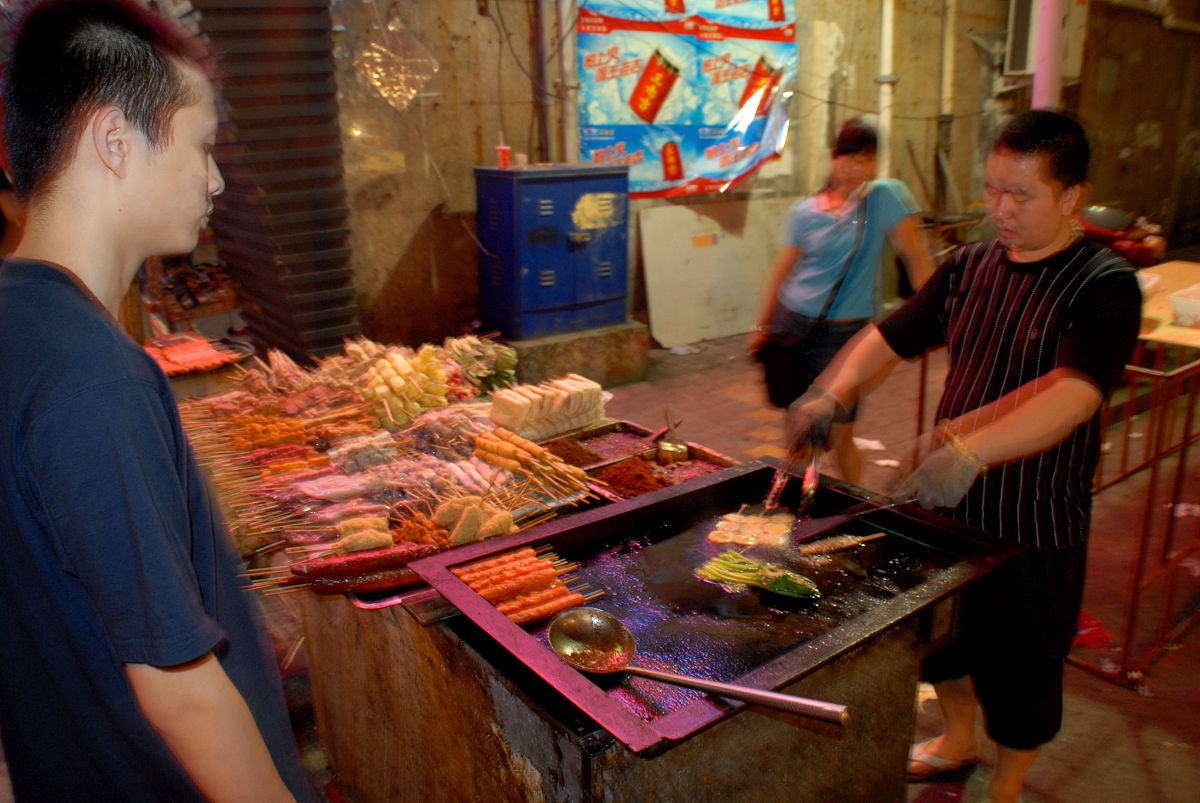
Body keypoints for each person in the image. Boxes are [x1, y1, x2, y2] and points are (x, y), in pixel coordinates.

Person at [0, 0, 315, 799]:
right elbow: (181, 693)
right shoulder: (94, 377)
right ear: (115, 141)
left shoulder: (16, 320)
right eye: (202, 146)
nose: (215, 178)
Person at [786, 109, 1141, 803]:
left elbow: (1075, 395)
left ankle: (1005, 782)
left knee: (1022, 663)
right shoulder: (971, 267)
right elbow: (891, 335)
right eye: (992, 190)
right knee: (943, 638)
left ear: (1071, 196)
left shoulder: (1104, 283)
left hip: (1034, 518)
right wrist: (829, 391)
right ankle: (957, 737)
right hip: (947, 509)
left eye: (1021, 195)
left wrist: (970, 451)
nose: (1000, 210)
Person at [749, 117, 934, 484]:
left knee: (839, 433)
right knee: (799, 429)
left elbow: (917, 259)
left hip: (844, 336)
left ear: (875, 164)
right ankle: (794, 508)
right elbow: (781, 271)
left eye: (865, 161)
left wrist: (932, 315)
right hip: (793, 327)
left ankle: (854, 506)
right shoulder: (804, 211)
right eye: (848, 159)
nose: (855, 169)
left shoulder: (883, 199)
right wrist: (761, 326)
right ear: (833, 158)